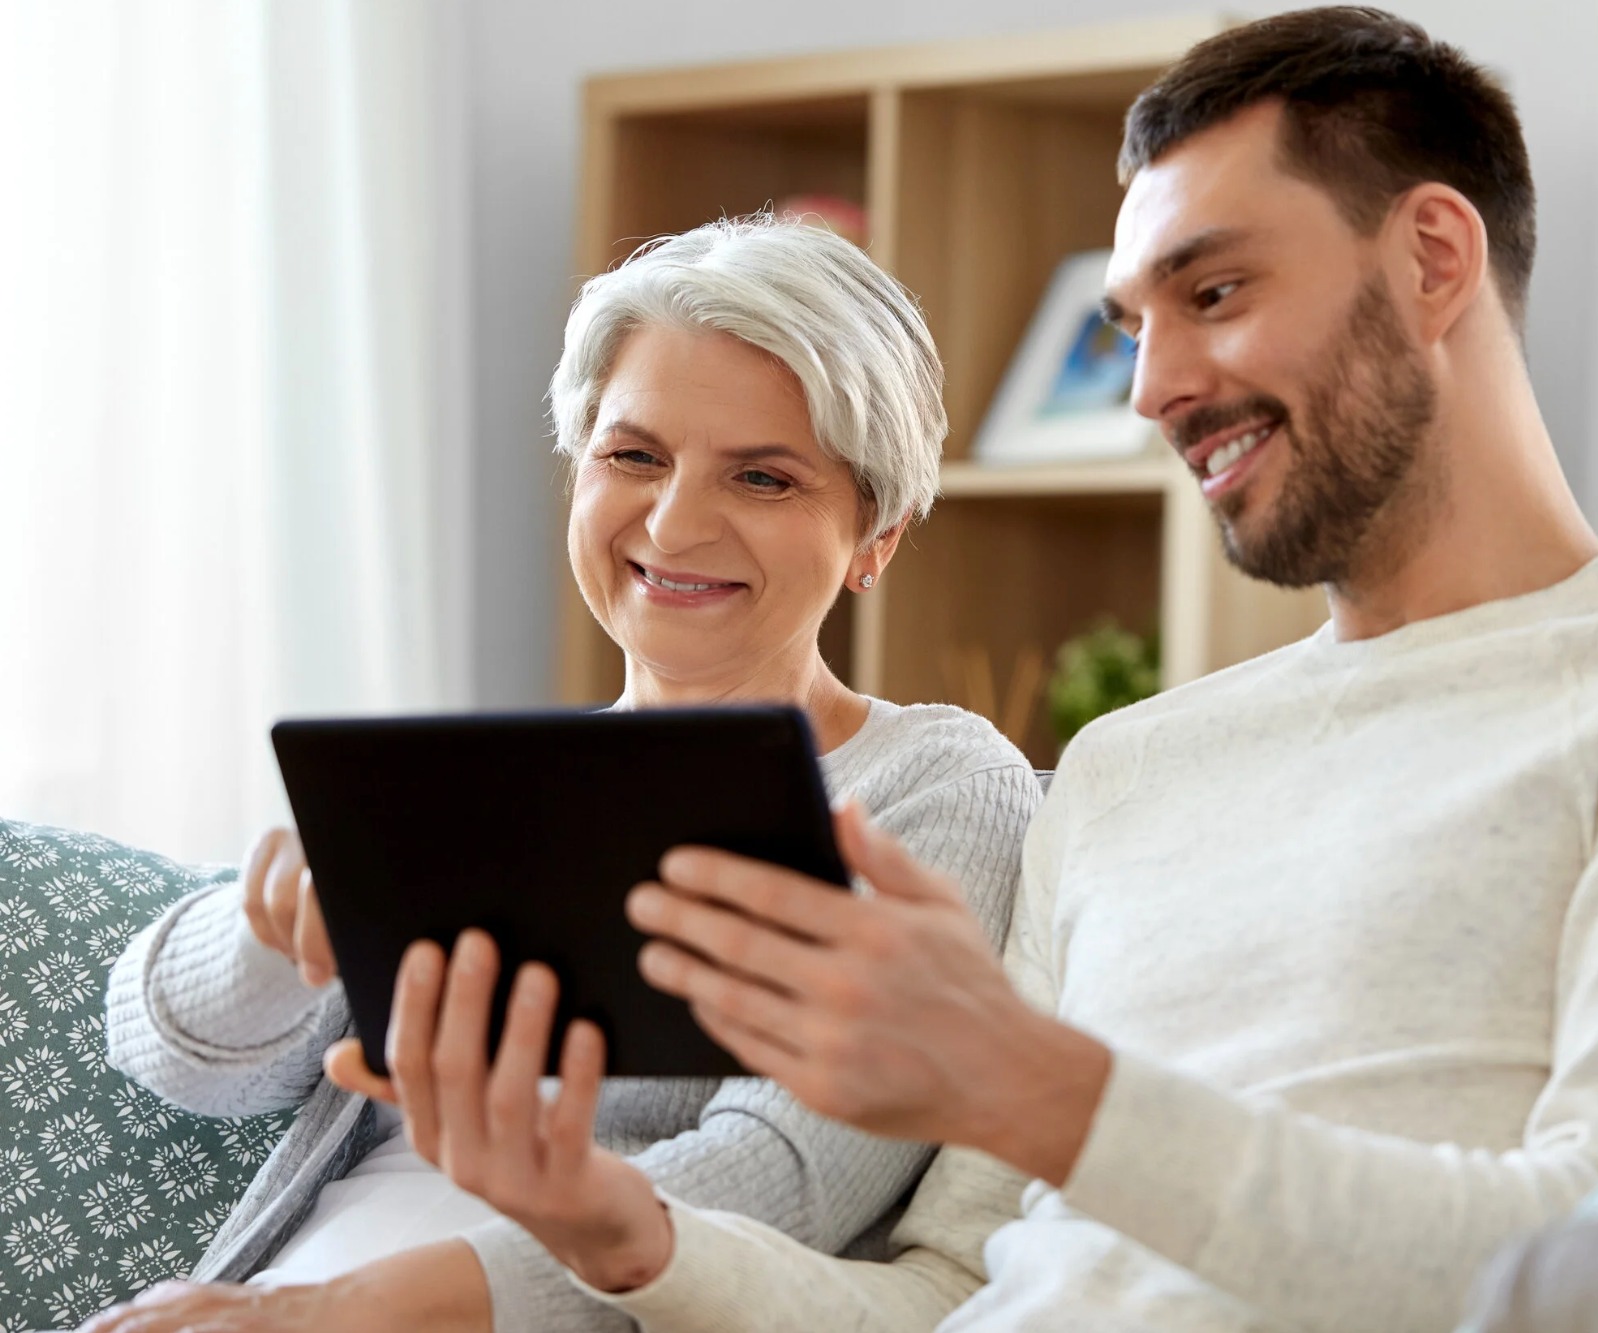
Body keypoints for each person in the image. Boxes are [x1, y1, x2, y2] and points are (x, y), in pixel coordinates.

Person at [308, 9, 1598, 1333]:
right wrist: (621, 1234)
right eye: (1132, 322)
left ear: (1430, 260)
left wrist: (1029, 1081)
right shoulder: (1132, 766)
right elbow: (950, 1286)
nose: (1150, 388)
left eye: (1213, 293)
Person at [88, 217, 1042, 1332]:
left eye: (765, 478)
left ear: (875, 535)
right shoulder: (485, 777)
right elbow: (176, 1064)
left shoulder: (935, 784)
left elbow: (790, 1179)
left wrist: (333, 1312)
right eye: (634, 455)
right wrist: (272, 928)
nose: (676, 522)